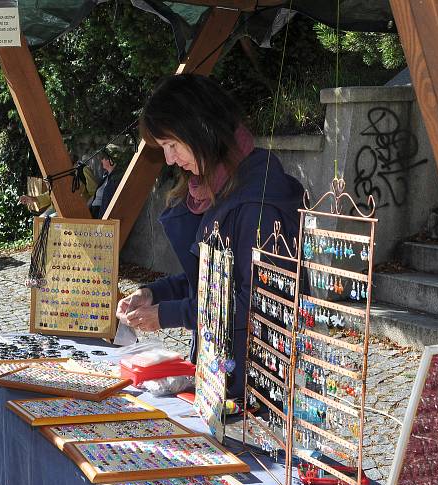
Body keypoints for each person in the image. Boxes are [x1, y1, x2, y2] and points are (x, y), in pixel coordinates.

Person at [116, 74, 303, 407]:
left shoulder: (257, 202)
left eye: (172, 145)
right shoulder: (223, 186)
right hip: (224, 377)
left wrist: (170, 314)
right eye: (164, 149)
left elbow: (258, 304)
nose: (169, 159)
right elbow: (210, 278)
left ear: (199, 128)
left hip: (254, 386)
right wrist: (154, 293)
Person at [19, 157, 97, 217]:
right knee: (40, 221)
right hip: (56, 208)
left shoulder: (83, 170)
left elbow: (94, 193)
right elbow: (50, 195)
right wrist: (32, 199)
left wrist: (85, 208)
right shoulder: (58, 173)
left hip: (75, 209)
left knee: (49, 222)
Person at [90, 145, 125, 218]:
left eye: (103, 158)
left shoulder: (117, 178)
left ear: (110, 159)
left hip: (102, 216)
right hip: (94, 213)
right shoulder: (105, 176)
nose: (101, 161)